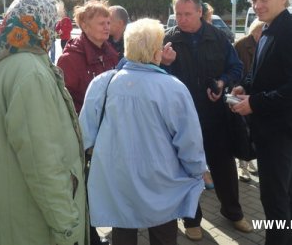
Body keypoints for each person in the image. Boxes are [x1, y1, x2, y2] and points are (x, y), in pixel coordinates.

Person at [80, 18, 206, 245]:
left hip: (116, 178)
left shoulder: (102, 83)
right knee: (164, 234)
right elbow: (189, 141)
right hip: (161, 181)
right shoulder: (173, 88)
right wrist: (197, 171)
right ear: (157, 51)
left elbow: (85, 136)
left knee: (123, 233)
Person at [0, 0, 88, 245]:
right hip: (35, 221)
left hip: (13, 207)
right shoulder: (30, 71)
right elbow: (42, 161)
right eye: (53, 23)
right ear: (41, 25)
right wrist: (67, 227)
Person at [231, 0, 292, 245]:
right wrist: (246, 86)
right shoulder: (268, 29)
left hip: (281, 132)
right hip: (270, 130)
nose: (258, 5)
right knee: (288, 194)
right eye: (254, 0)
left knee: (275, 200)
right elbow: (264, 73)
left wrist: (255, 102)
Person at [161, 0, 251, 241]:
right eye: (178, 14)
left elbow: (236, 69)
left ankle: (233, 213)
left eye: (187, 14)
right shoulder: (168, 39)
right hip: (182, 119)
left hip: (215, 117)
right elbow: (156, 80)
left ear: (200, 12)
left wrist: (223, 82)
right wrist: (164, 65)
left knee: (223, 167)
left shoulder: (219, 37)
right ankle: (191, 219)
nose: (181, 19)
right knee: (188, 170)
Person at [58, 0, 118, 245]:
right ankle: (89, 236)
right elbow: (67, 103)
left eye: (109, 22)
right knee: (86, 190)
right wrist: (90, 131)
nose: (107, 27)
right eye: (101, 23)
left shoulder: (110, 52)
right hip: (87, 138)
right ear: (83, 24)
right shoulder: (70, 58)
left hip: (110, 133)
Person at [233, 19, 265, 182]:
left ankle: (251, 161)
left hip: (257, 96)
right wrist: (239, 87)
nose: (263, 34)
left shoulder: (265, 43)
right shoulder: (241, 45)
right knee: (244, 132)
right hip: (242, 94)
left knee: (253, 131)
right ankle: (242, 166)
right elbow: (236, 68)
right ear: (254, 31)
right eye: (261, 31)